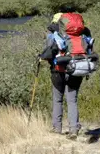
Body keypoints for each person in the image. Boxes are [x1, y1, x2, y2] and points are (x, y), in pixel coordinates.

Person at [39, 12, 94, 140]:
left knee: (58, 99)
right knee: (72, 100)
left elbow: (48, 54)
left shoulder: (53, 36)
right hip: (77, 69)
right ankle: (73, 129)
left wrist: (41, 58)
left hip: (58, 71)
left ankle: (57, 128)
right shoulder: (83, 36)